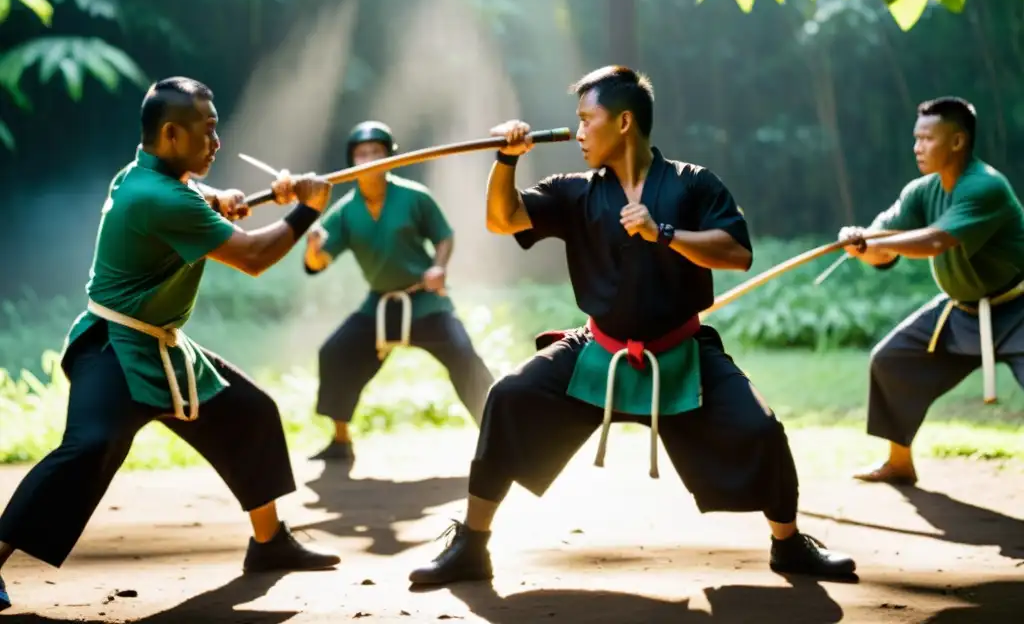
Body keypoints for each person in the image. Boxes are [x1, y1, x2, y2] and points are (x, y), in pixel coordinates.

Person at [406, 65, 857, 586]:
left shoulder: (693, 183)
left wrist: (662, 232)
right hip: (599, 348)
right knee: (508, 396)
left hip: (680, 350)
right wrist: (505, 160)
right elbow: (503, 219)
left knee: (761, 428)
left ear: (623, 123)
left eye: (585, 120)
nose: (577, 133)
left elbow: (736, 253)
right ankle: (472, 545)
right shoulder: (574, 192)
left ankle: (788, 544)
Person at [0, 77, 342, 613]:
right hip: (113, 351)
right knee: (86, 450)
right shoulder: (159, 197)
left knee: (249, 413)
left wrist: (220, 197)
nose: (217, 142)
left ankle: (269, 543)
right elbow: (252, 258)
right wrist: (306, 210)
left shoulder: (141, 175)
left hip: (159, 348)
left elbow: (186, 195)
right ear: (170, 134)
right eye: (208, 131)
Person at [838, 96, 1024, 486]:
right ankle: (899, 462)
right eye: (915, 138)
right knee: (891, 360)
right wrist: (860, 244)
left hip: (1018, 308)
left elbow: (936, 241)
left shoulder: (985, 186)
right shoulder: (922, 191)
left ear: (957, 142)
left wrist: (876, 242)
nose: (917, 147)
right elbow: (880, 252)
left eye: (927, 138)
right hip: (960, 311)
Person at [304, 121, 494, 463]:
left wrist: (439, 267)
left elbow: (443, 235)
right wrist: (313, 247)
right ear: (352, 162)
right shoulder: (346, 211)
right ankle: (340, 440)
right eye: (362, 154)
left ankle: (497, 439)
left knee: (464, 356)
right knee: (335, 352)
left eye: (377, 153)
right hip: (379, 304)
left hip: (424, 300)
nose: (370, 160)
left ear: (390, 158)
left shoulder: (414, 196)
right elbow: (317, 264)